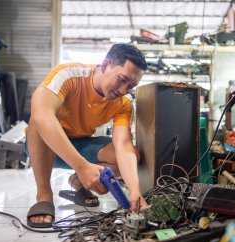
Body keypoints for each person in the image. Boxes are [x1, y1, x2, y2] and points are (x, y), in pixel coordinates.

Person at [26, 43, 148, 228]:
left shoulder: (123, 103)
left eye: (131, 86)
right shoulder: (69, 75)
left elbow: (123, 145)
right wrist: (82, 166)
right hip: (45, 145)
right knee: (38, 119)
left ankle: (78, 182)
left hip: (82, 146)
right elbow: (41, 114)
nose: (124, 90)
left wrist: (135, 191)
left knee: (131, 154)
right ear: (106, 65)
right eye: (122, 79)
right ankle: (44, 196)